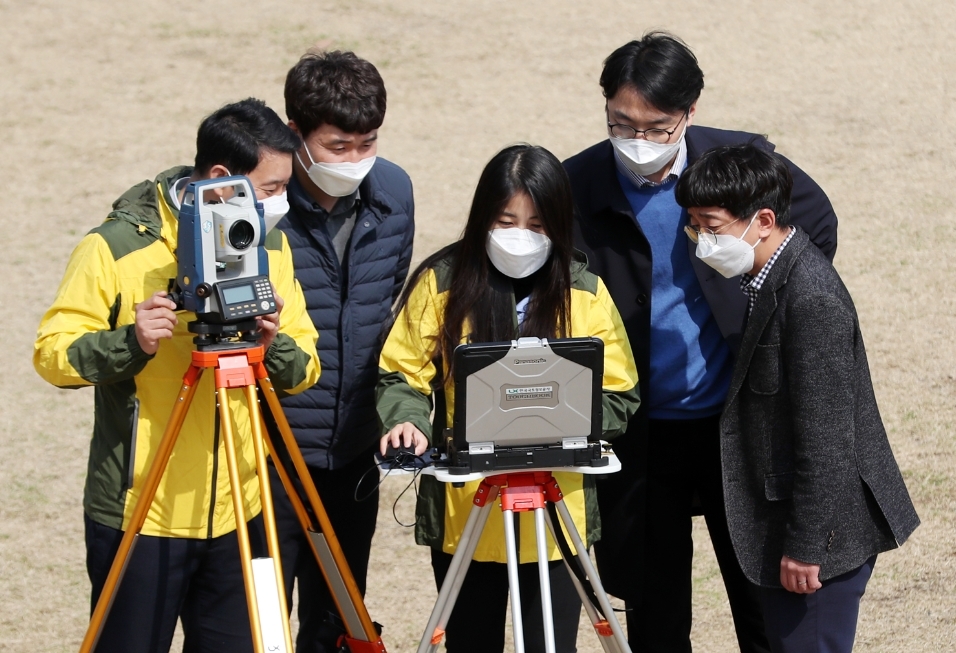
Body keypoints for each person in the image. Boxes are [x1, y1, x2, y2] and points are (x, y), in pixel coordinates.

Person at [563, 32, 839, 652]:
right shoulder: (572, 185)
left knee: (762, 599)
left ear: (689, 112)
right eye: (620, 123)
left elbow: (814, 225)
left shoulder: (741, 163)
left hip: (734, 424)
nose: (638, 141)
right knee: (655, 609)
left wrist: (765, 305)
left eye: (658, 127)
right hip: (637, 431)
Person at [33, 98, 320, 653]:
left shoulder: (270, 244)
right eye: (270, 189)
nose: (282, 203)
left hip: (242, 511)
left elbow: (306, 366)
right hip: (143, 515)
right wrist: (131, 341)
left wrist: (271, 343)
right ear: (220, 180)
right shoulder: (116, 247)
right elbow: (52, 356)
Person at [377, 144, 641, 653]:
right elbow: (401, 374)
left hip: (556, 514)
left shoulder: (584, 291)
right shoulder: (442, 283)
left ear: (559, 226)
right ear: (482, 219)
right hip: (465, 517)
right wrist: (407, 420)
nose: (520, 236)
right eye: (506, 220)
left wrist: (566, 423)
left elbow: (620, 393)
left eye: (537, 224)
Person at [674, 143, 919, 653]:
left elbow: (827, 440)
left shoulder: (810, 299)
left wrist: (808, 547)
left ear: (763, 220)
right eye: (694, 226)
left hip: (818, 545)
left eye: (712, 225)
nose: (702, 241)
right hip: (795, 533)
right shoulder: (764, 279)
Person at [269, 50, 415, 652]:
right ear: (295, 134)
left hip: (355, 449)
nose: (355, 160)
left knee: (337, 617)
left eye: (367, 143)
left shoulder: (396, 192)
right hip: (270, 450)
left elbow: (389, 303)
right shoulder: (260, 206)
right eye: (338, 146)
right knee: (260, 615)